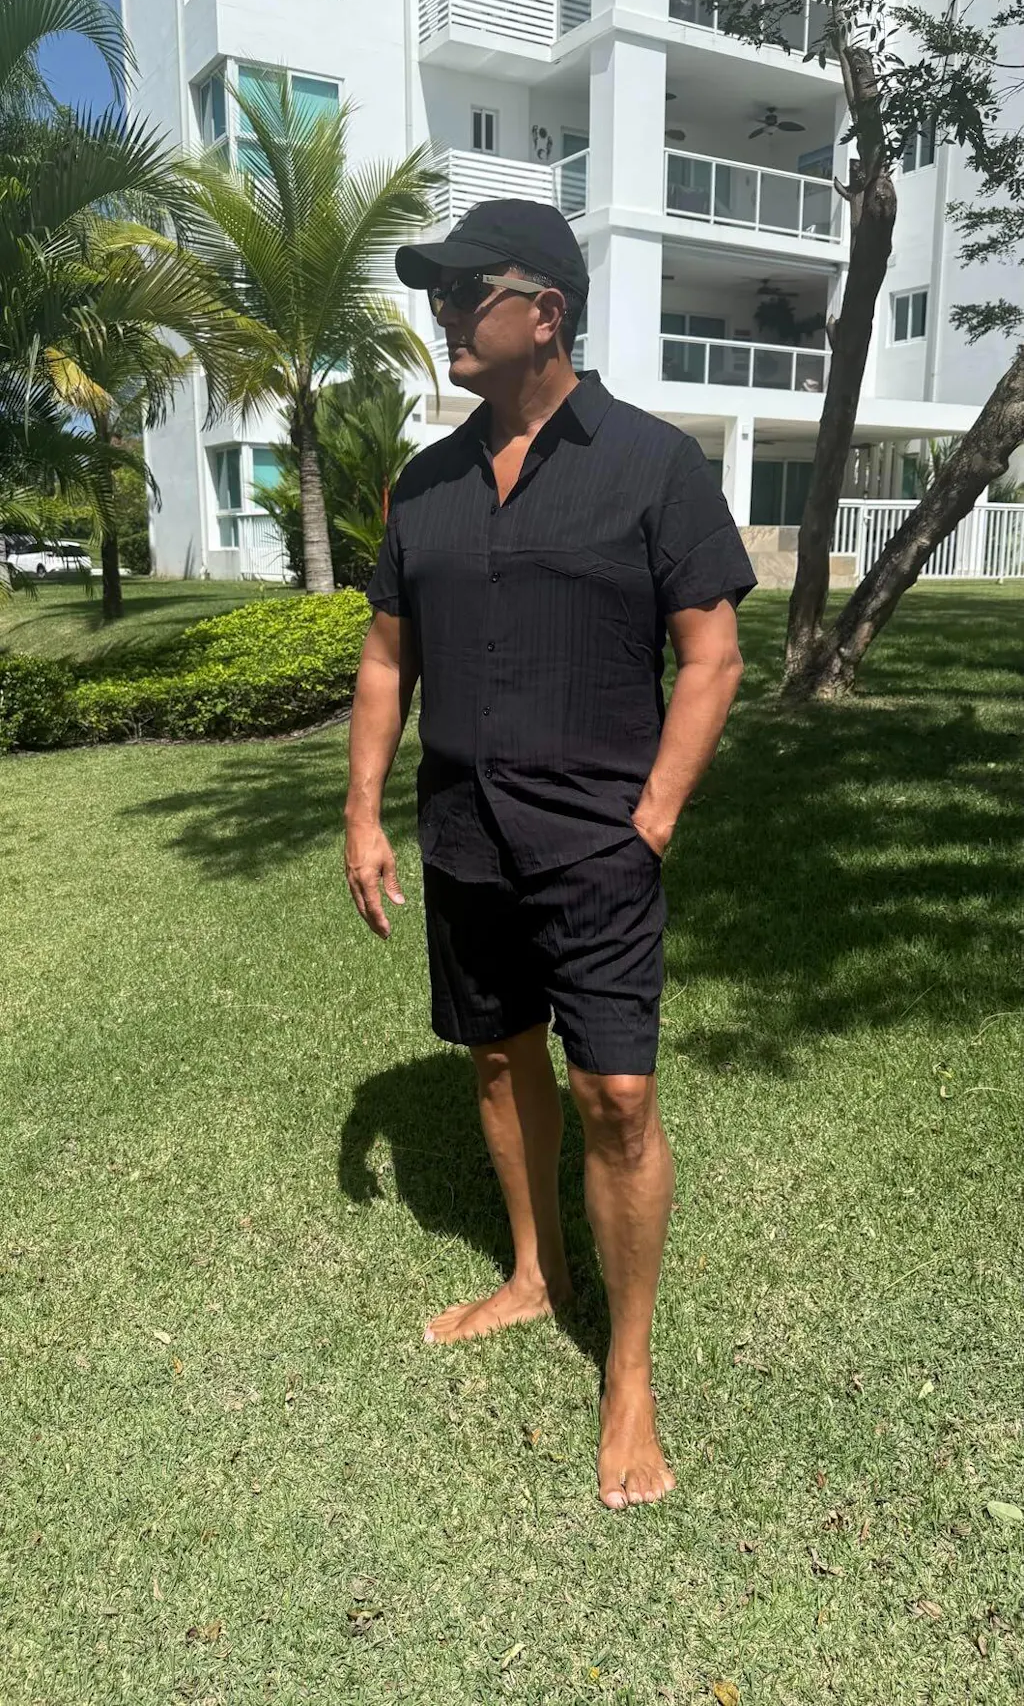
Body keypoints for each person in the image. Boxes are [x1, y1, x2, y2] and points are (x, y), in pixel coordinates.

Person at [344, 199, 755, 1510]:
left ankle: (627, 1375)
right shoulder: (426, 483)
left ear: (547, 311)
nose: (443, 316)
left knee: (617, 1097)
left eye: (466, 293)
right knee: (498, 1055)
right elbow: (386, 658)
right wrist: (363, 814)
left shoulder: (653, 464)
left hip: (597, 845)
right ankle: (536, 1272)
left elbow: (713, 655)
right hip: (464, 832)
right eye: (436, 295)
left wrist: (656, 814)